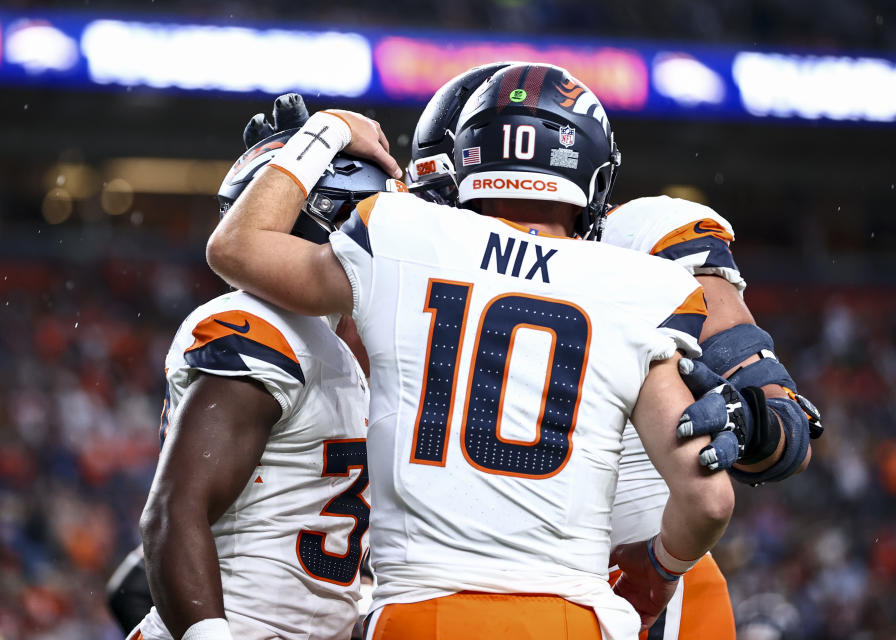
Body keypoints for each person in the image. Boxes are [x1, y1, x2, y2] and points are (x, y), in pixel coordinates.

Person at [206, 63, 735, 639]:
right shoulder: (642, 287)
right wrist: (657, 570)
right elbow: (708, 500)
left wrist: (326, 133)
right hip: (569, 617)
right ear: (595, 176)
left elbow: (236, 247)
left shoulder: (401, 236)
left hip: (420, 613)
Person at [403, 63, 824, 640]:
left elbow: (786, 431)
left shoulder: (642, 243)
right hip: (476, 595)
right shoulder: (415, 268)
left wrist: (745, 422)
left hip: (641, 596)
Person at [126, 109, 398, 640]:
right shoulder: (262, 325)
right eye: (368, 220)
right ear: (331, 223)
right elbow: (174, 512)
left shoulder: (335, 348)